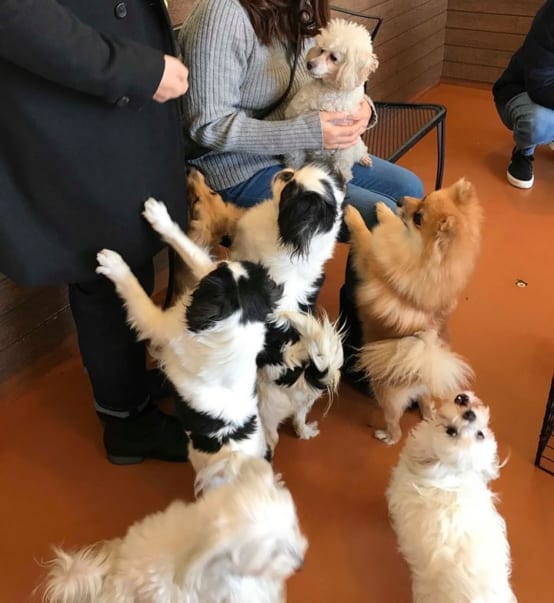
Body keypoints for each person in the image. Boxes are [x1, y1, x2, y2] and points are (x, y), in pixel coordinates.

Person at [179, 0, 424, 387]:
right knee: (379, 218)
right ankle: (354, 358)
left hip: (303, 151)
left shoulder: (297, 8)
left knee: (409, 190)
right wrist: (307, 132)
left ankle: (354, 337)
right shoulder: (221, 15)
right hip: (235, 167)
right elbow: (205, 127)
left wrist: (363, 107)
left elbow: (324, 81)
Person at [0, 0, 190, 464]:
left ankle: (127, 385)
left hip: (100, 92)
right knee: (106, 264)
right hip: (75, 94)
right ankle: (126, 421)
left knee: (128, 253)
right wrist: (133, 69)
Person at [493, 0, 554, 189]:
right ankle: (523, 153)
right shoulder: (550, 17)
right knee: (538, 122)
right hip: (522, 92)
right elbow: (540, 85)